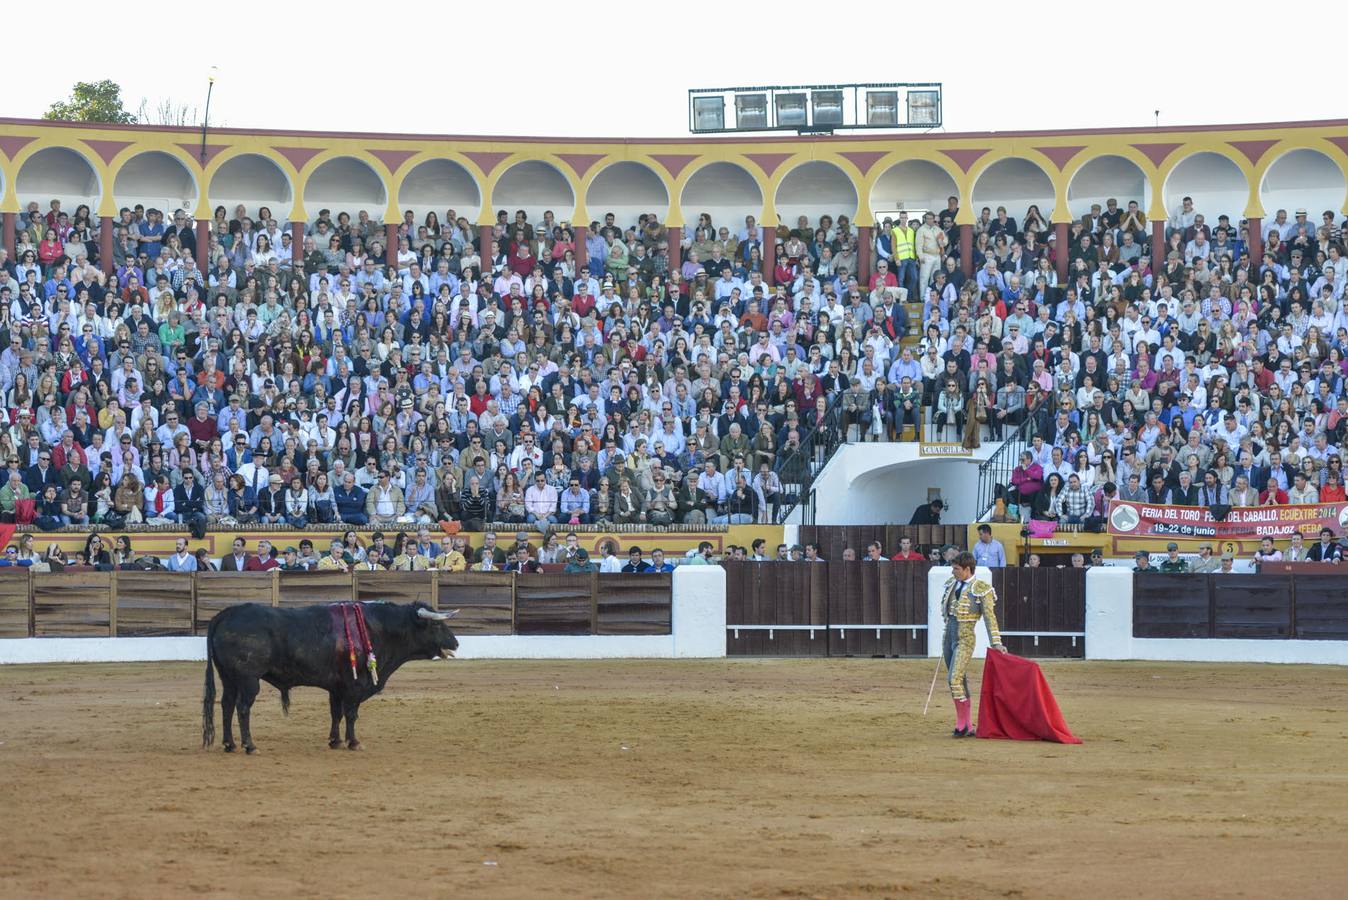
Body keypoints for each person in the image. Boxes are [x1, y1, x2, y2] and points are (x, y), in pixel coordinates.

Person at [939, 551, 1006, 738]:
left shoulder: (981, 588)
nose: (953, 572)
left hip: (965, 639)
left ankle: (961, 725)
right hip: (949, 638)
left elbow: (989, 618)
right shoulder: (951, 585)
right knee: (960, 679)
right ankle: (967, 724)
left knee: (953, 680)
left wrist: (997, 643)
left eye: (957, 569)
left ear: (967, 569)